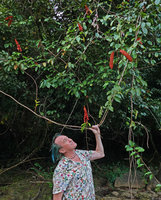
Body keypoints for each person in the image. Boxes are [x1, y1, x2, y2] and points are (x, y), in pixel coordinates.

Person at [52, 124, 105, 200]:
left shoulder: (82, 154)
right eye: (65, 141)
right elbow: (57, 197)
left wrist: (97, 134)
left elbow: (100, 153)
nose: (70, 139)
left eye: (67, 138)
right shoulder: (61, 169)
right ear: (62, 150)